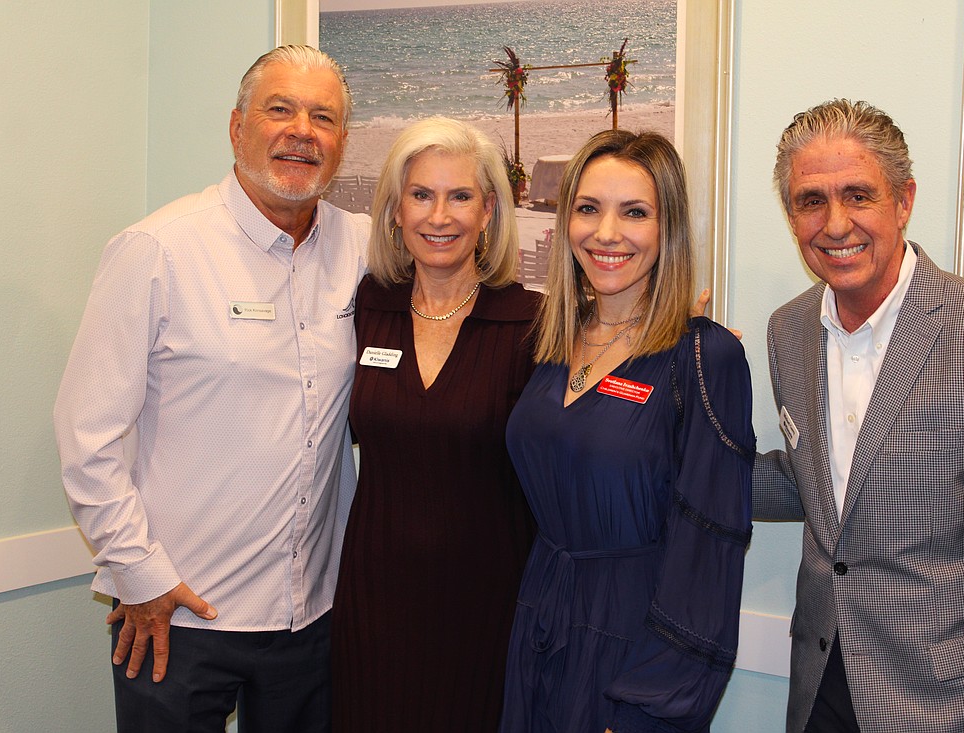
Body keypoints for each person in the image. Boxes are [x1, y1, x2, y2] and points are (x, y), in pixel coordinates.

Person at [53, 45, 367, 732]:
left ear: (342, 143)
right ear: (236, 127)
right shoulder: (158, 249)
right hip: (176, 616)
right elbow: (87, 434)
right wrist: (139, 575)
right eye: (279, 109)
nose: (302, 131)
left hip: (311, 620)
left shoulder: (364, 248)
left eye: (323, 117)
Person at [754, 99, 964, 733]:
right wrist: (662, 451)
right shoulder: (788, 329)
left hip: (955, 709)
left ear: (903, 202)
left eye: (858, 195)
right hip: (823, 690)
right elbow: (822, 484)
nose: (835, 222)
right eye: (810, 200)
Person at [501, 130, 755, 733]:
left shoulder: (705, 356)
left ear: (668, 230)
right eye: (588, 209)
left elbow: (710, 548)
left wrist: (653, 701)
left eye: (634, 212)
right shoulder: (551, 341)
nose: (606, 233)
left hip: (633, 646)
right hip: (540, 620)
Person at [329, 117, 538, 732]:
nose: (438, 216)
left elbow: (602, 400)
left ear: (490, 211)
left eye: (460, 196)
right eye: (421, 195)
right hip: (373, 604)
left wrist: (679, 353)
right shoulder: (368, 307)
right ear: (395, 210)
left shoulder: (532, 325)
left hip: (487, 606)